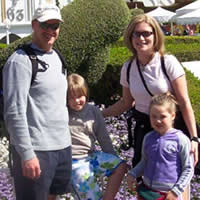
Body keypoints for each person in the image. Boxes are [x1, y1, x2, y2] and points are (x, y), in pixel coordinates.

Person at [102, 14, 198, 199]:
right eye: (136, 34)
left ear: (156, 35)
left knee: (176, 177)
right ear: (130, 38)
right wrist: (98, 114)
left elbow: (184, 102)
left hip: (171, 126)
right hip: (145, 129)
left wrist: (194, 138)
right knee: (145, 181)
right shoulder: (128, 67)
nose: (141, 38)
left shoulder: (167, 62)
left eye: (146, 33)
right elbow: (125, 103)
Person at [3, 4, 72, 200]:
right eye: (45, 25)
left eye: (55, 25)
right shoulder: (20, 61)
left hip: (62, 147)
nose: (50, 31)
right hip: (37, 151)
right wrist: (26, 154)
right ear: (34, 25)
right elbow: (14, 112)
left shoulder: (58, 57)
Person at [67, 73, 128, 200]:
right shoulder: (64, 113)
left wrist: (112, 156)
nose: (77, 101)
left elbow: (103, 137)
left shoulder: (93, 111)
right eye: (71, 98)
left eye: (80, 96)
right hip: (75, 162)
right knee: (92, 196)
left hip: (92, 156)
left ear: (86, 93)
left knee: (120, 166)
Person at [126, 92, 194, 200]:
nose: (157, 120)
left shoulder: (181, 140)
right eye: (153, 116)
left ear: (173, 115)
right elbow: (144, 162)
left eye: (163, 116)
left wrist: (176, 191)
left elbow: (188, 168)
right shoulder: (148, 137)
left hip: (169, 194)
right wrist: (132, 174)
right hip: (147, 191)